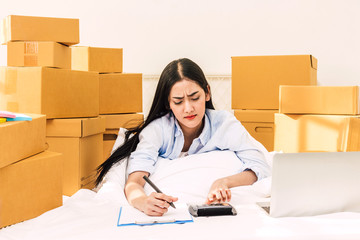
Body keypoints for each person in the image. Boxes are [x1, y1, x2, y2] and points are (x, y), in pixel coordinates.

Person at [96, 58, 270, 216]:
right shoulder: (157, 130)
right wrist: (142, 201)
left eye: (195, 98)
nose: (188, 108)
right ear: (168, 103)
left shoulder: (224, 124)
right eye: (178, 101)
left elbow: (259, 167)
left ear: (207, 93)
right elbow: (134, 182)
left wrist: (223, 182)